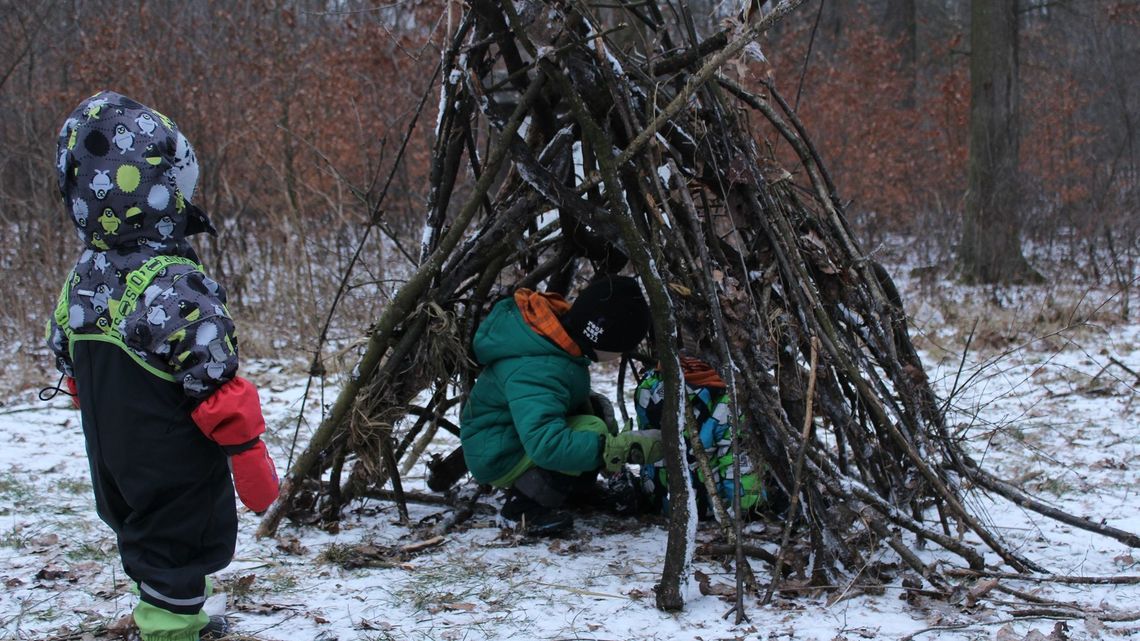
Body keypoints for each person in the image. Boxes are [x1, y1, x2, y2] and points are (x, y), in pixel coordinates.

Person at [44, 91, 279, 641]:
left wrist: (87, 395)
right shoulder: (176, 283)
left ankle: (180, 608)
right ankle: (169, 629)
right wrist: (247, 452)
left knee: (148, 536)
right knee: (178, 540)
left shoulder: (85, 276)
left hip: (112, 454)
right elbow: (214, 378)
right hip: (172, 458)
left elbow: (64, 347)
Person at [459, 275, 664, 536]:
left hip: (511, 440)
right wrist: (619, 449)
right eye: (622, 347)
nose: (623, 355)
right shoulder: (538, 368)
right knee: (590, 430)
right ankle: (521, 509)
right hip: (497, 456)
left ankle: (574, 492)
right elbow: (547, 444)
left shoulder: (558, 343)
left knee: (594, 412)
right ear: (604, 339)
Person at [633, 356, 788, 521]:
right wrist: (752, 507)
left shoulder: (648, 387)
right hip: (704, 505)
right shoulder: (725, 401)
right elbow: (734, 460)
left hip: (660, 498)